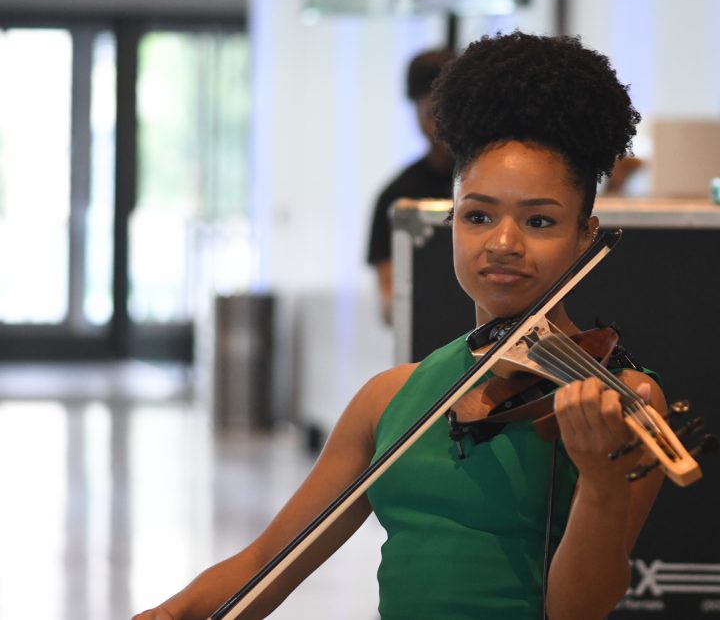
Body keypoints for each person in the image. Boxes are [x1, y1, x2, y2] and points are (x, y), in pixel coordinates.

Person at [133, 31, 665, 620]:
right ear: (453, 222)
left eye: (539, 221)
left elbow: (577, 612)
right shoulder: (390, 398)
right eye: (479, 215)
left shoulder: (624, 401)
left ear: (585, 237)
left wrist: (599, 482)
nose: (504, 243)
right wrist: (170, 613)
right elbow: (268, 561)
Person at [367, 47, 458, 325]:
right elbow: (389, 306)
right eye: (431, 114)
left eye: (448, 113)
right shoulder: (396, 196)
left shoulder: (496, 182)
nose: (439, 127)